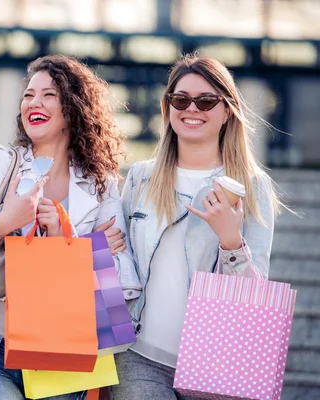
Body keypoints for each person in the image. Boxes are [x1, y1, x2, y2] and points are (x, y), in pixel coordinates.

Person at [0, 54, 137, 400]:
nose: (34, 103)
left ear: (74, 107)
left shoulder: (101, 184)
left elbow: (123, 282)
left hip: (64, 350)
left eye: (48, 95)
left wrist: (62, 238)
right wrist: (3, 223)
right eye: (28, 95)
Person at [111, 53, 284, 399]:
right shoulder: (141, 178)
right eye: (180, 99)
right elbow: (122, 262)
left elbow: (256, 292)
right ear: (168, 108)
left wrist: (231, 241)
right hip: (138, 355)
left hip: (217, 364)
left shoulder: (251, 187)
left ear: (227, 112)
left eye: (206, 101)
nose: (192, 109)